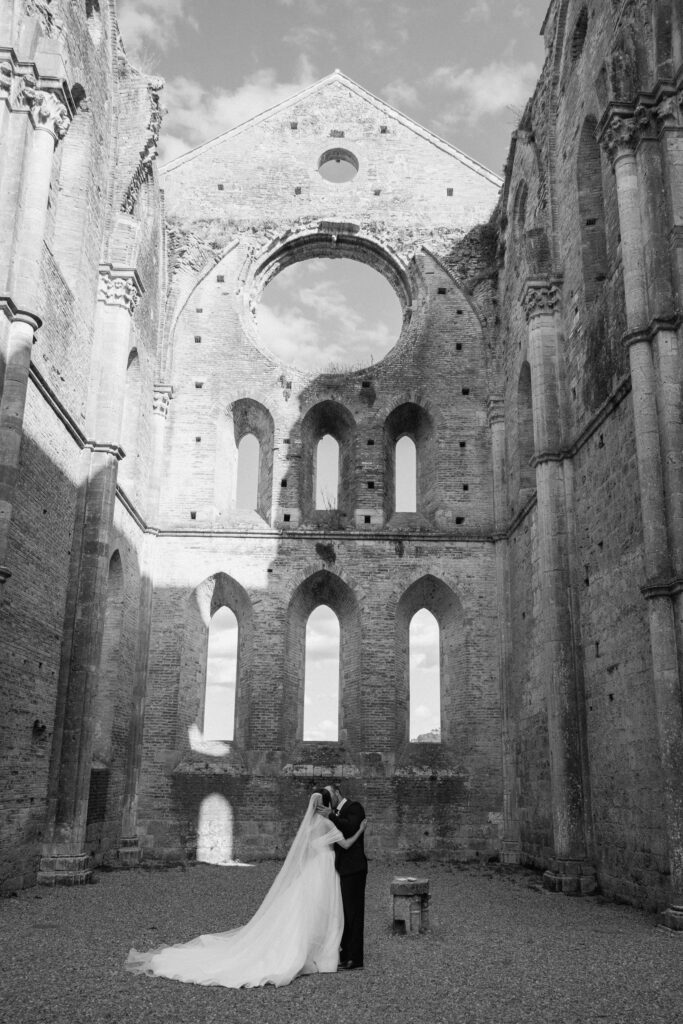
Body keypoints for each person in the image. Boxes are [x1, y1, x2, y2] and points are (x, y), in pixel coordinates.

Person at [124, 790, 366, 988]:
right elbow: (345, 842)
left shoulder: (312, 825)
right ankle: (323, 951)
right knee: (326, 910)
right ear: (326, 805)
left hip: (313, 869)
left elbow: (308, 851)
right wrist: (361, 829)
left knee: (305, 910)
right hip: (325, 870)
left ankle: (311, 949)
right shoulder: (327, 823)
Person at [323, 783, 368, 971]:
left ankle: (355, 958)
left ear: (337, 793)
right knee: (343, 914)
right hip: (341, 868)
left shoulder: (354, 807)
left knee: (354, 914)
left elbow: (350, 828)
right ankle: (345, 952)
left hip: (354, 868)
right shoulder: (333, 814)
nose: (328, 798)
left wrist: (331, 816)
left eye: (329, 794)